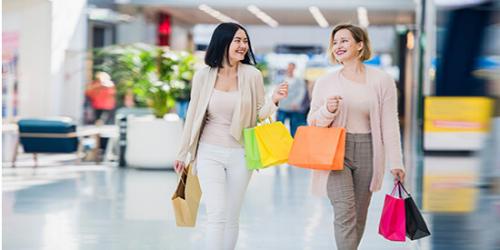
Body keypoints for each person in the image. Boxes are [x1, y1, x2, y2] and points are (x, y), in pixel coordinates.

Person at [174, 22, 288, 250]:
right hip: (209, 151)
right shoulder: (203, 76)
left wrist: (273, 100)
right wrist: (183, 152)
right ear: (222, 42)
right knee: (217, 213)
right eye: (238, 40)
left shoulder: (252, 75)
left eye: (245, 41)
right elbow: (193, 115)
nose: (243, 45)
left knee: (232, 215)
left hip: (241, 153)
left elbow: (258, 115)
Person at [307, 23, 406, 250]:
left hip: (369, 152)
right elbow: (312, 121)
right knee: (345, 211)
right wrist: (327, 111)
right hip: (335, 152)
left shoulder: (382, 81)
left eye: (344, 41)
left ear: (360, 46)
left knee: (359, 215)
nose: (337, 46)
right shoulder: (326, 82)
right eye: (334, 42)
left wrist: (396, 162)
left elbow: (390, 124)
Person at [276, 62, 308, 137]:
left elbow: (301, 92)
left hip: (294, 108)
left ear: (294, 69)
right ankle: (280, 141)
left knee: (294, 127)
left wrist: (297, 103)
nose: (290, 69)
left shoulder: (299, 81)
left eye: (291, 68)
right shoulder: (281, 80)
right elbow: (277, 91)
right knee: (279, 126)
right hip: (282, 107)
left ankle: (293, 142)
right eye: (288, 67)